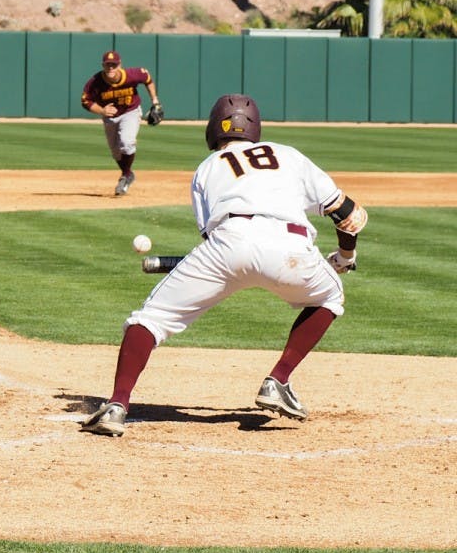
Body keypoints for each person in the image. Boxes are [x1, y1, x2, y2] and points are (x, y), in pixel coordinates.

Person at [82, 93, 368, 436]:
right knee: (329, 297)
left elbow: (213, 237)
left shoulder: (206, 168)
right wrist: (345, 257)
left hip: (228, 242)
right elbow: (350, 216)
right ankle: (278, 380)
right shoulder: (288, 155)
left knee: (151, 319)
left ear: (213, 129)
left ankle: (116, 406)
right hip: (292, 245)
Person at [81, 50, 163, 196]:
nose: (111, 68)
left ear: (120, 65)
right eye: (108, 65)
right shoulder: (95, 82)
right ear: (103, 66)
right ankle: (128, 174)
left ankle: (125, 176)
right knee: (116, 152)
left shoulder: (132, 75)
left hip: (130, 111)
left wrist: (155, 101)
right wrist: (101, 110)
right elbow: (85, 101)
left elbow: (147, 78)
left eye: (114, 64)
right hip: (109, 117)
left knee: (127, 142)